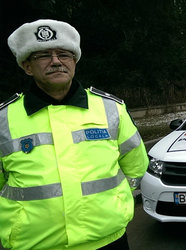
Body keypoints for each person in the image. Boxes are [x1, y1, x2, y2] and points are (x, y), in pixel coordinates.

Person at [0, 19, 148, 249]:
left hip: (108, 242)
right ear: (27, 66)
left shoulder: (111, 109)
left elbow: (136, 165)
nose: (56, 61)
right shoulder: (3, 119)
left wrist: (114, 201)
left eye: (64, 54)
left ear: (75, 61)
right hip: (34, 245)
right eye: (43, 55)